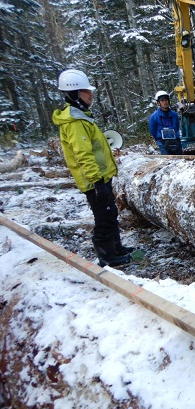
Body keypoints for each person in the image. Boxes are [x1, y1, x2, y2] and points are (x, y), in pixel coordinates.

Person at [52, 69, 132, 267]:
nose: (91, 95)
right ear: (74, 94)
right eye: (87, 92)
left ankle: (116, 248)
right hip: (94, 179)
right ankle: (107, 256)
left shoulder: (82, 116)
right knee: (103, 216)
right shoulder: (76, 122)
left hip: (101, 177)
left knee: (111, 212)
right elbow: (83, 154)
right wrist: (97, 181)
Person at [149, 90, 183, 155]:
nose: (165, 102)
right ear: (158, 103)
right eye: (162, 100)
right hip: (163, 143)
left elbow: (176, 127)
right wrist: (160, 139)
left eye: (166, 100)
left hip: (176, 141)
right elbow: (153, 130)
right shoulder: (153, 117)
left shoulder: (174, 115)